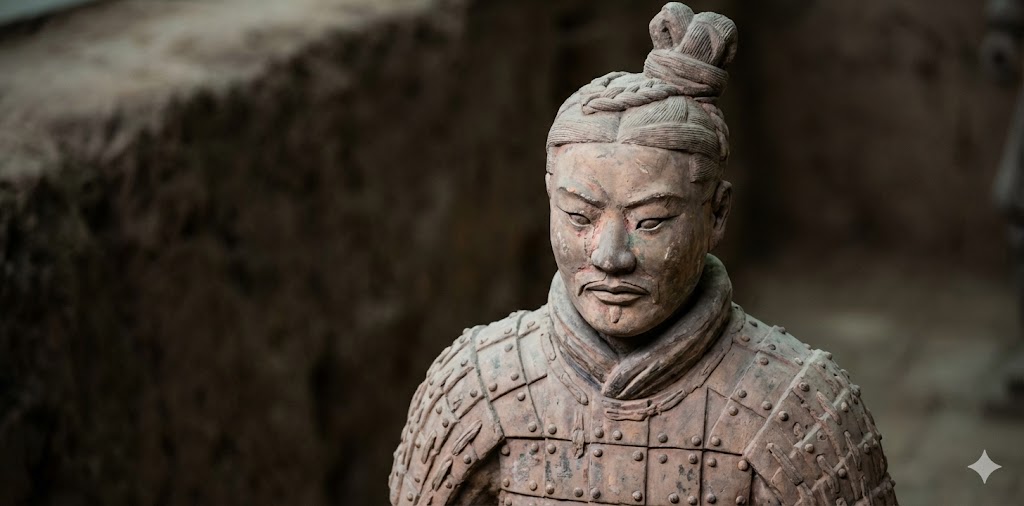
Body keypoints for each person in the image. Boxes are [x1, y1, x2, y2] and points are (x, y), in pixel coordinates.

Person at [390, 4, 896, 505]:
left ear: (716, 215)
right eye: (579, 217)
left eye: (649, 221)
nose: (610, 256)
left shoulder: (802, 407)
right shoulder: (475, 386)